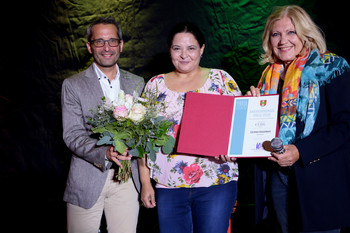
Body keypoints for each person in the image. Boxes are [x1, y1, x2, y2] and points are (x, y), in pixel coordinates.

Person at [250, 5, 350, 233]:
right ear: (269, 39)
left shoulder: (332, 67)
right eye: (276, 34)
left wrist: (300, 151)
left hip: (319, 177)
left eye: (291, 32)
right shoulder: (268, 76)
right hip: (278, 177)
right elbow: (264, 128)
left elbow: (345, 125)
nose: (283, 40)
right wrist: (252, 107)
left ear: (305, 34)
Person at [138, 22, 241, 233]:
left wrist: (233, 151)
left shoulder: (221, 80)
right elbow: (142, 139)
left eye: (191, 48)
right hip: (169, 185)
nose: (184, 55)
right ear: (170, 50)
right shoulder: (155, 85)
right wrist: (145, 183)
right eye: (177, 48)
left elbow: (240, 128)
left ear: (202, 49)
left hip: (215, 182)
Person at [61, 17, 144, 233]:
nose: (106, 47)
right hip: (86, 178)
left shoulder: (137, 83)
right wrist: (104, 152)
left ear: (121, 45)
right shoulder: (72, 85)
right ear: (89, 46)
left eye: (112, 41)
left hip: (126, 179)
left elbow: (144, 133)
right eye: (99, 41)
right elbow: (72, 135)